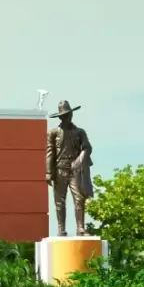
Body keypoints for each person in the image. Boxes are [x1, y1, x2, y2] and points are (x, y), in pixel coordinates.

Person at [46, 100, 94, 236]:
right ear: (60, 117)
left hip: (75, 170)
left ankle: (80, 228)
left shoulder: (80, 132)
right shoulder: (53, 133)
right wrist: (48, 173)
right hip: (60, 169)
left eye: (68, 114)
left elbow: (87, 147)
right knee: (59, 201)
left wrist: (80, 159)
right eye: (64, 115)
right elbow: (50, 152)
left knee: (79, 198)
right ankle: (61, 229)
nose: (66, 117)